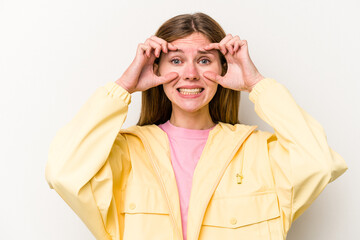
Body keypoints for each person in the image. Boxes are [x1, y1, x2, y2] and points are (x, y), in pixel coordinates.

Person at [45, 12, 348, 240]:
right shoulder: (126, 153)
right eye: (175, 61)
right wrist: (124, 87)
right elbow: (62, 173)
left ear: (223, 69)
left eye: (204, 61)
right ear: (156, 70)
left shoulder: (258, 153)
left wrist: (256, 84)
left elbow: (320, 164)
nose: (190, 73)